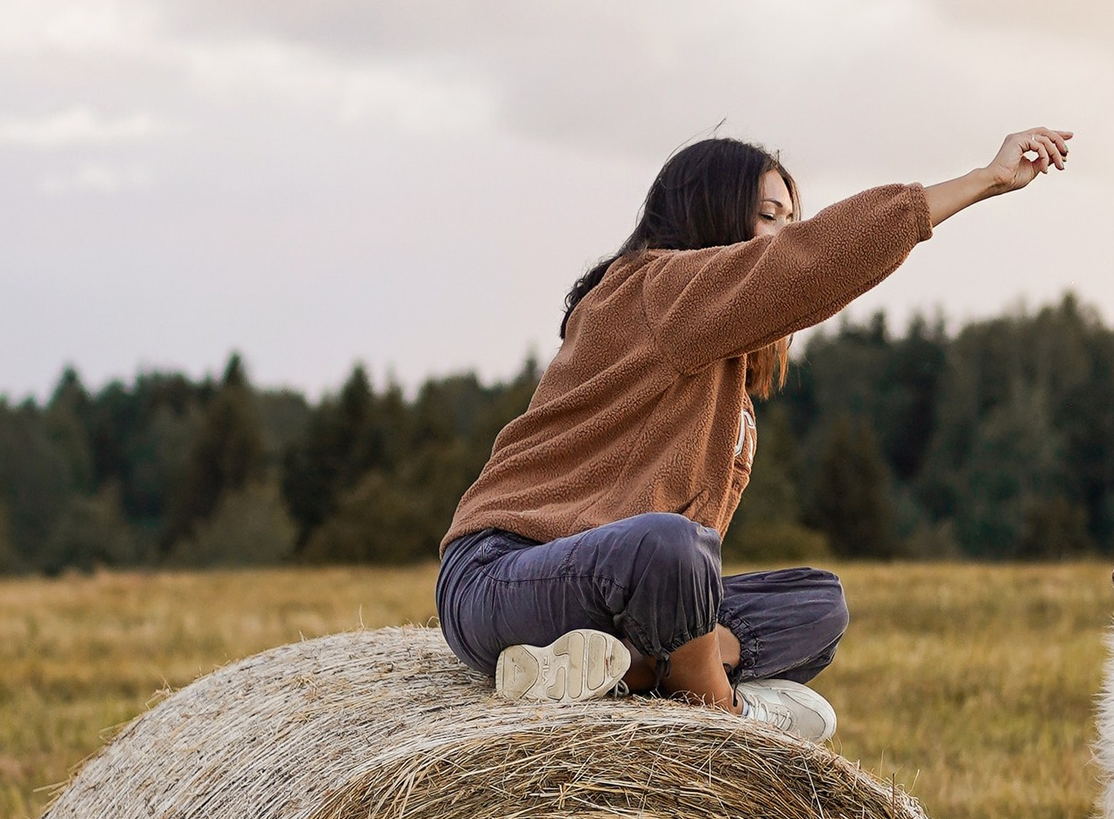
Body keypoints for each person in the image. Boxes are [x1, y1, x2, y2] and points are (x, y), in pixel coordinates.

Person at [434, 125, 1072, 741]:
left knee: (818, 603)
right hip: (503, 577)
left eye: (792, 221)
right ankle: (724, 720)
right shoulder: (654, 290)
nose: (784, 237)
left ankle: (619, 668)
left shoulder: (728, 392)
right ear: (710, 215)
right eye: (770, 217)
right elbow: (816, 259)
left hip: (613, 600)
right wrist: (983, 181)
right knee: (669, 547)